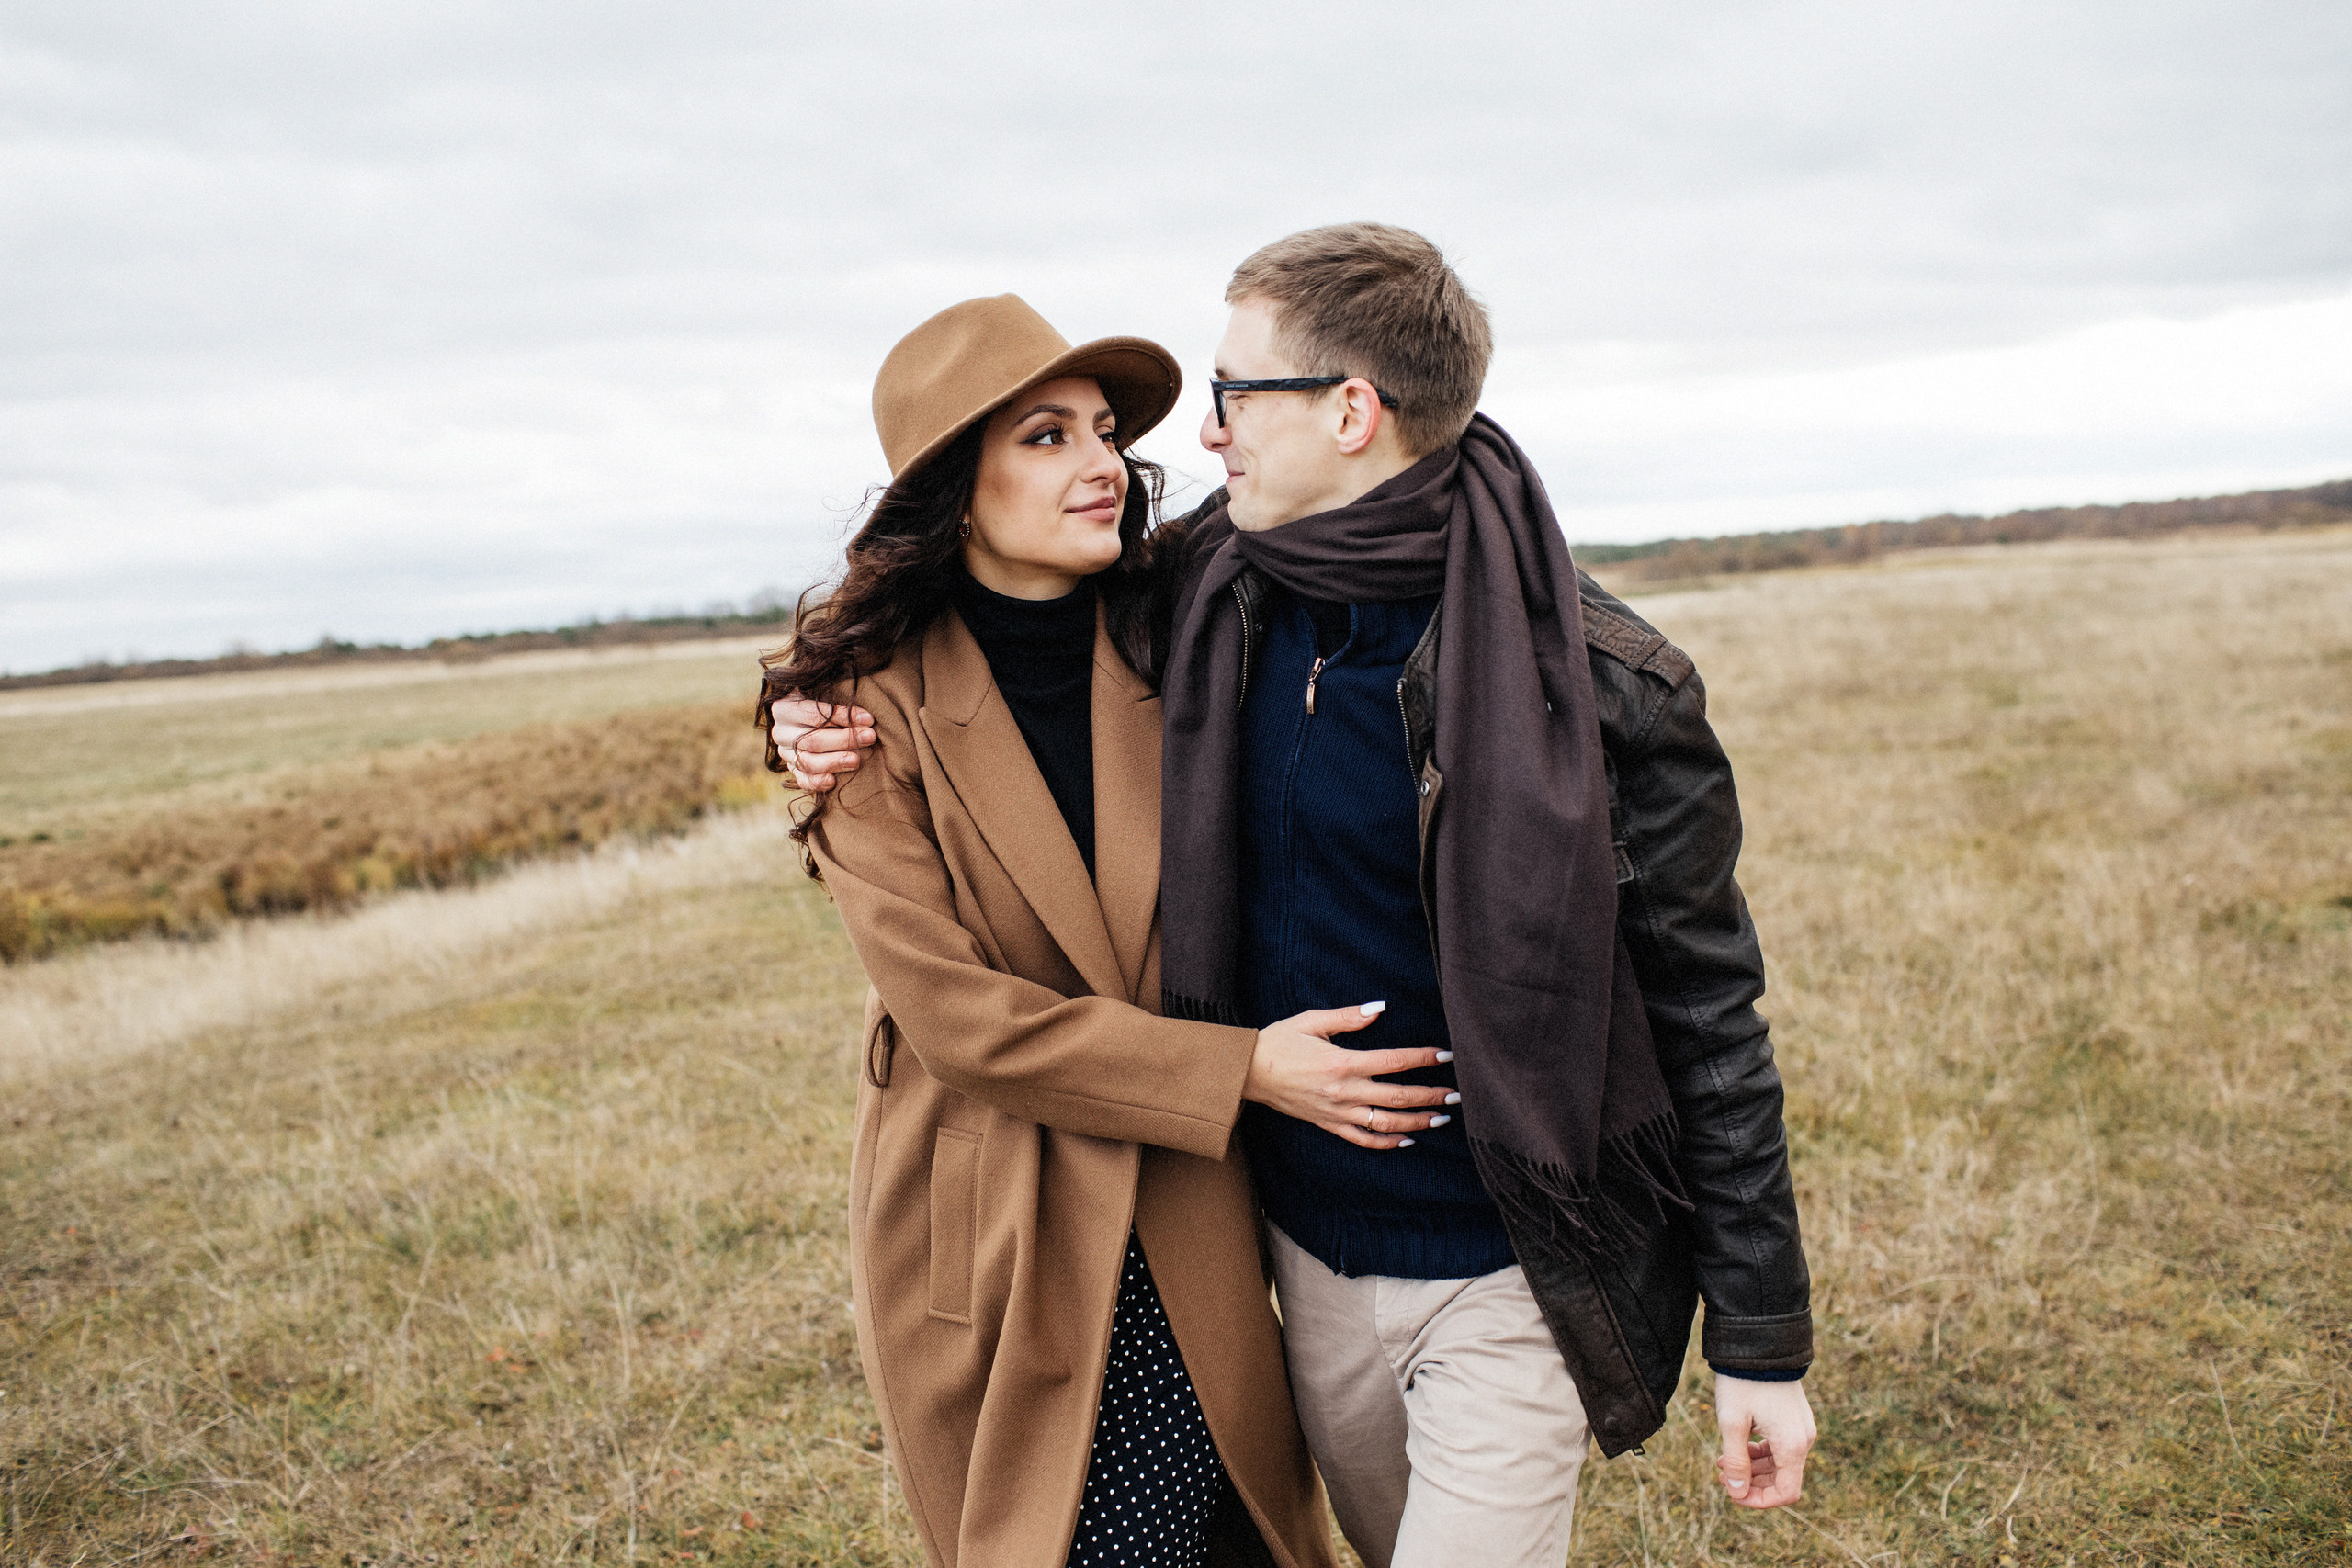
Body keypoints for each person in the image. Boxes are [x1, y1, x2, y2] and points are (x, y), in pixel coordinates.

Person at [780, 228, 1816, 1568]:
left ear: (1350, 408)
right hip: (1212, 1237)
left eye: (1222, 397)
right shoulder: (1203, 614)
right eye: (1053, 436)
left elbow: (1707, 1012)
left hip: (1449, 1252)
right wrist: (807, 720)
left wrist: (1762, 1341)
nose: (1177, 445)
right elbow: (958, 962)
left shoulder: (1571, 676)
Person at [760, 293, 1461, 1568]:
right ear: (949, 492)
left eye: (1100, 433)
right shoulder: (859, 708)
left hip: (1187, 1192)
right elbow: (961, 1023)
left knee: (1232, 1526)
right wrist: (1245, 1071)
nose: (1102, 466)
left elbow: (1389, 514)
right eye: (1044, 439)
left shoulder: (1182, 627)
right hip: (997, 1207)